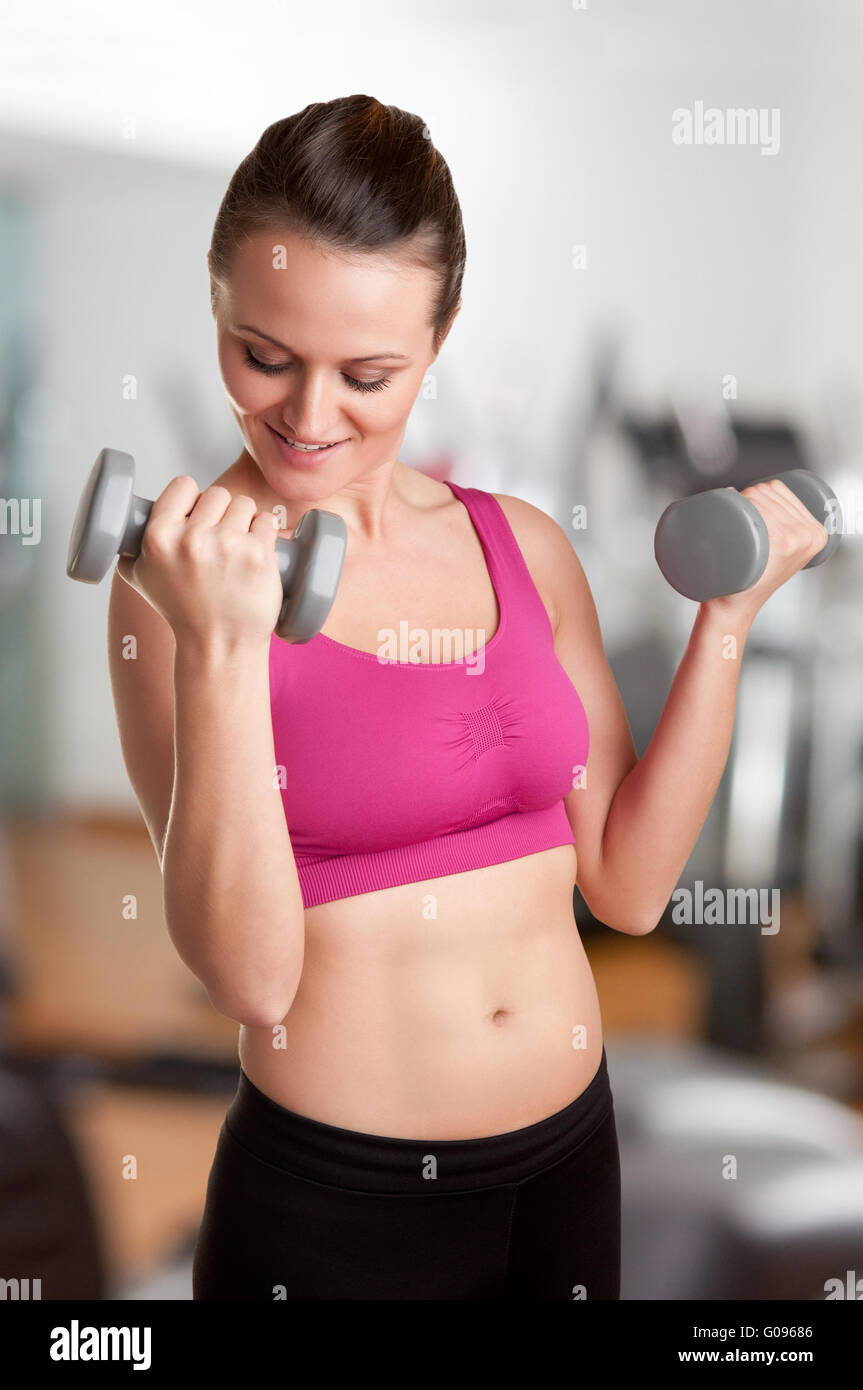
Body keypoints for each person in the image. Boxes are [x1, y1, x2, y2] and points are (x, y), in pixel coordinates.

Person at [107, 95, 828, 1301]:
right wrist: (225, 647)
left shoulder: (524, 549)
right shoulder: (174, 580)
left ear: (437, 341)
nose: (306, 414)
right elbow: (250, 980)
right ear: (219, 307)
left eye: (368, 372)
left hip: (564, 1162)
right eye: (263, 355)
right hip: (332, 1206)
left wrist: (727, 623)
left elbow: (630, 885)